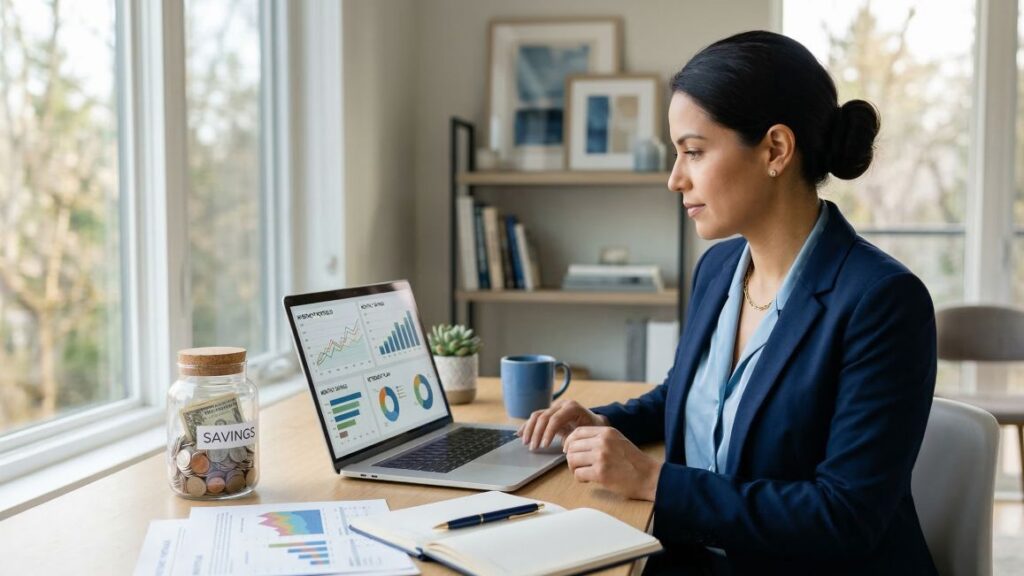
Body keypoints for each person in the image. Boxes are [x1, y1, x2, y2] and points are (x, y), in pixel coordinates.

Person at [519, 30, 938, 575]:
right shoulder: (719, 270)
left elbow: (845, 516)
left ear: (775, 150)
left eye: (693, 151)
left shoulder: (883, 302)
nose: (674, 179)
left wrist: (652, 479)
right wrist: (601, 421)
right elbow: (692, 394)